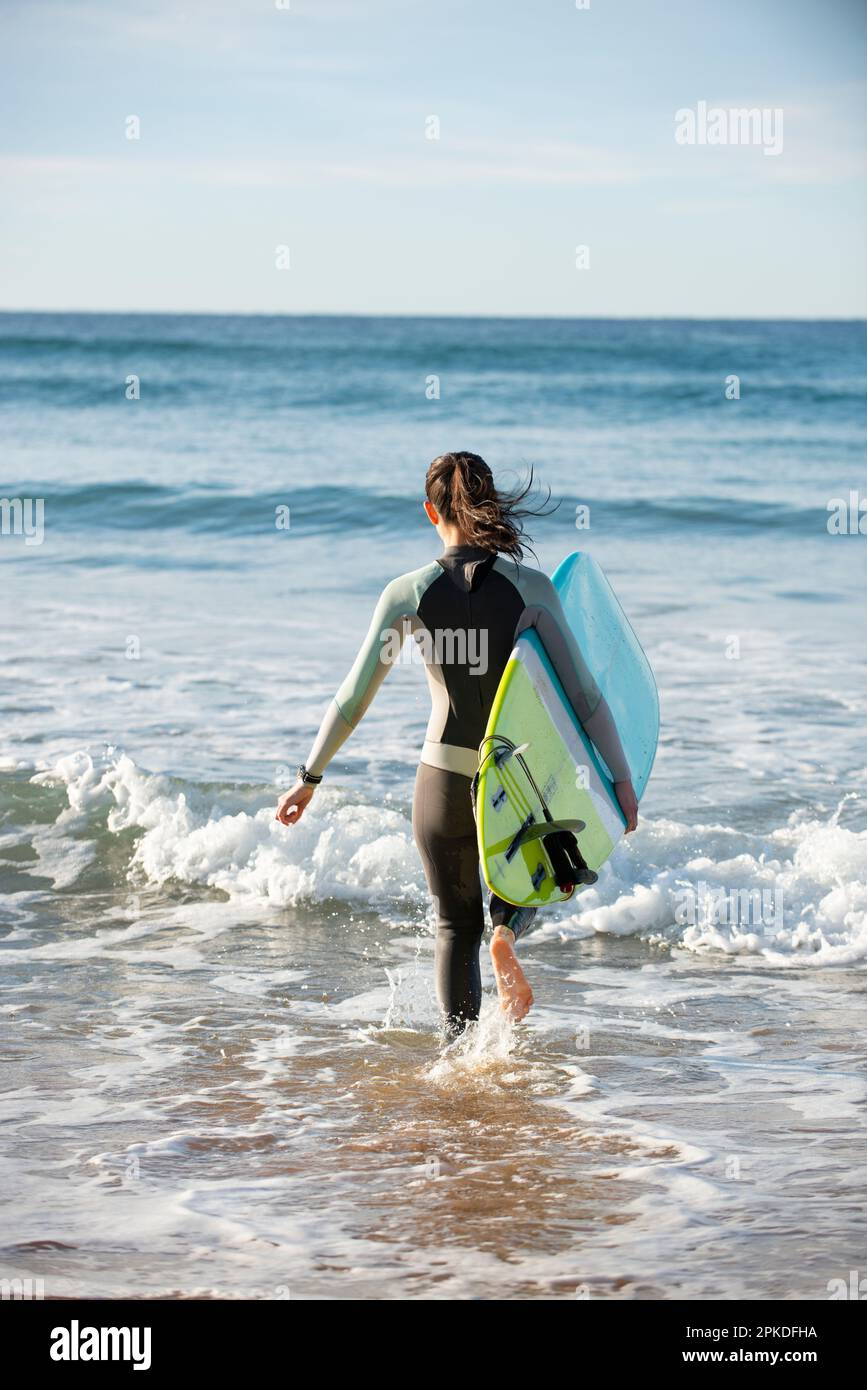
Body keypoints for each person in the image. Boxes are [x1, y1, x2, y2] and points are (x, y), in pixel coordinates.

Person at [276, 453, 638, 1040]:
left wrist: (309, 777)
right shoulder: (532, 590)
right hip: (514, 783)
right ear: (488, 505)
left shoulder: (406, 594)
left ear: (430, 512)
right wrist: (619, 780)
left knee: (451, 927)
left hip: (441, 780)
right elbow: (585, 697)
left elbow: (353, 698)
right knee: (527, 881)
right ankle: (507, 933)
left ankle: (459, 1063)